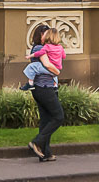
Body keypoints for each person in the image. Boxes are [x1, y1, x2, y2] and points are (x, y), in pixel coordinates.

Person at [27, 27, 64, 162]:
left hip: (41, 87)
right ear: (41, 35)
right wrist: (57, 71)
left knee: (46, 119)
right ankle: (37, 142)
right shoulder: (38, 49)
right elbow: (48, 65)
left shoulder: (43, 48)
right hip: (44, 87)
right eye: (46, 34)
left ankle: (45, 153)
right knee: (58, 116)